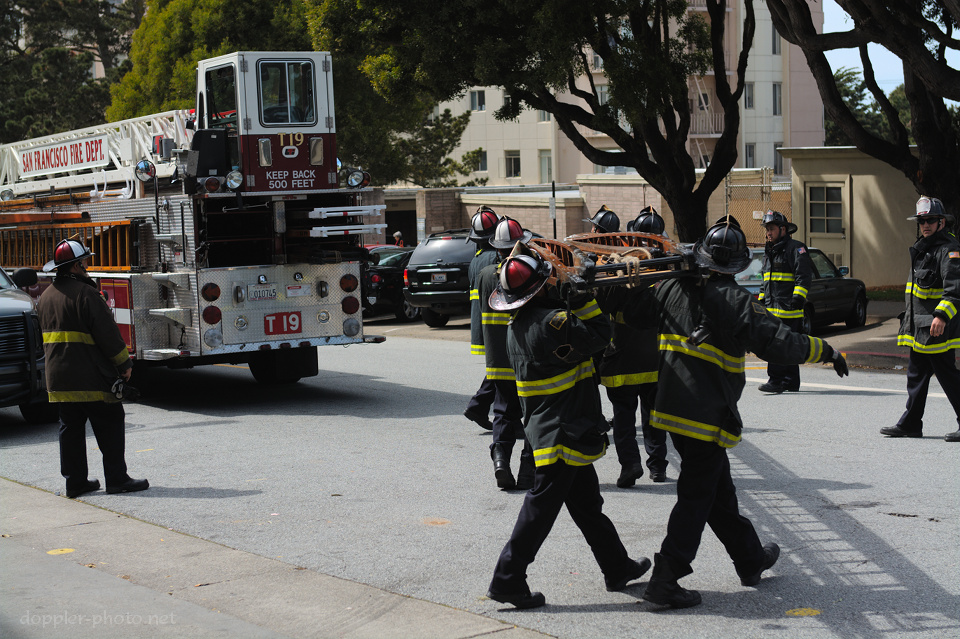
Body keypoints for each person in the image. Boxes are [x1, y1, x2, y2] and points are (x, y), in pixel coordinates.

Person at [614, 216, 848, 608]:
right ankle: (666, 578)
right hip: (706, 416)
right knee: (696, 497)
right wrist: (825, 349)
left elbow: (632, 313)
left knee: (719, 493)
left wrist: (630, 281)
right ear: (737, 264)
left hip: (671, 411)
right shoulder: (737, 301)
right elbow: (778, 343)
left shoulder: (670, 287)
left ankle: (750, 559)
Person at [486, 247, 650, 609]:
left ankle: (617, 567)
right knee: (539, 510)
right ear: (539, 289)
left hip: (560, 428)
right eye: (548, 280)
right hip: (562, 431)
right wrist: (583, 296)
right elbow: (600, 334)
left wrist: (570, 294)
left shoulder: (523, 323)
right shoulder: (553, 322)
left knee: (588, 506)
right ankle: (508, 579)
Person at [36, 239, 149, 498]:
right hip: (91, 376)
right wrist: (124, 364)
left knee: (71, 429)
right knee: (110, 422)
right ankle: (117, 479)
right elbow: (108, 335)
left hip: (60, 380)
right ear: (76, 266)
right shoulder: (86, 294)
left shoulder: (46, 296)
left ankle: (75, 483)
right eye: (84, 262)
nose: (87, 266)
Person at [588, 206, 667, 486]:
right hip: (655, 356)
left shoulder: (620, 267)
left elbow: (600, 307)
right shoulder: (669, 270)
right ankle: (658, 466)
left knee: (623, 417)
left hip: (622, 355)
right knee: (654, 415)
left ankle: (630, 465)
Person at [883, 196, 960, 442]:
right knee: (916, 376)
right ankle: (911, 424)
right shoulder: (923, 247)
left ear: (941, 222)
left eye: (930, 220)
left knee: (949, 378)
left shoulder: (949, 249)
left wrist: (941, 316)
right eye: (921, 221)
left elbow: (954, 289)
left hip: (936, 328)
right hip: (920, 329)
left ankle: (911, 423)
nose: (925, 225)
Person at [481, 217, 536, 489]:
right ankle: (527, 471)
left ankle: (500, 461)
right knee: (532, 414)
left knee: (502, 413)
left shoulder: (484, 275)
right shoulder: (528, 272)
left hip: (498, 360)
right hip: (524, 359)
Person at [757, 210, 814, 394]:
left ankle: (775, 381)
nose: (768, 233)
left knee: (777, 345)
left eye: (771, 229)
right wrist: (760, 302)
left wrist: (798, 297)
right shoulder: (770, 251)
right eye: (767, 229)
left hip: (789, 310)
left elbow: (803, 276)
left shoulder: (796, 249)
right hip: (772, 310)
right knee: (787, 345)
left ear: (783, 229)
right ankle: (790, 382)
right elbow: (765, 281)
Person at [463, 206, 501, 431]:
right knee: (504, 369)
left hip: (483, 324)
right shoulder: (496, 258)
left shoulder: (476, 259)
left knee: (501, 369)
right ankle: (479, 407)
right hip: (497, 324)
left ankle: (478, 407)